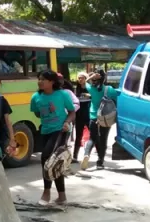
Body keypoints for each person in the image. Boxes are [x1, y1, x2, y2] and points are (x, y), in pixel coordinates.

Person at [30, 70, 76, 206]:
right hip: (45, 130)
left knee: (47, 158)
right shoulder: (36, 97)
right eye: (39, 79)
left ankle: (46, 192)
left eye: (44, 79)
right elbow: (38, 114)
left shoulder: (62, 95)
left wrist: (67, 122)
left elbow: (72, 112)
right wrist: (47, 112)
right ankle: (62, 196)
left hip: (60, 130)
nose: (40, 81)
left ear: (52, 82)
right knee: (55, 163)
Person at [82, 69, 119, 170]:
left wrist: (91, 77)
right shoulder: (110, 89)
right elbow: (116, 102)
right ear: (104, 79)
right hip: (106, 118)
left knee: (92, 138)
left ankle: (86, 155)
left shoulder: (91, 89)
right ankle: (100, 162)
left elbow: (84, 82)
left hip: (94, 117)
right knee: (103, 140)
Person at [74, 72, 91, 164]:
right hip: (79, 114)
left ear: (86, 78)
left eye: (82, 78)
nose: (80, 79)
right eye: (79, 78)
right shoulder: (76, 89)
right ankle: (75, 156)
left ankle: (98, 157)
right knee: (78, 135)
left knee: (93, 135)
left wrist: (89, 95)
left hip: (88, 113)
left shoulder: (90, 88)